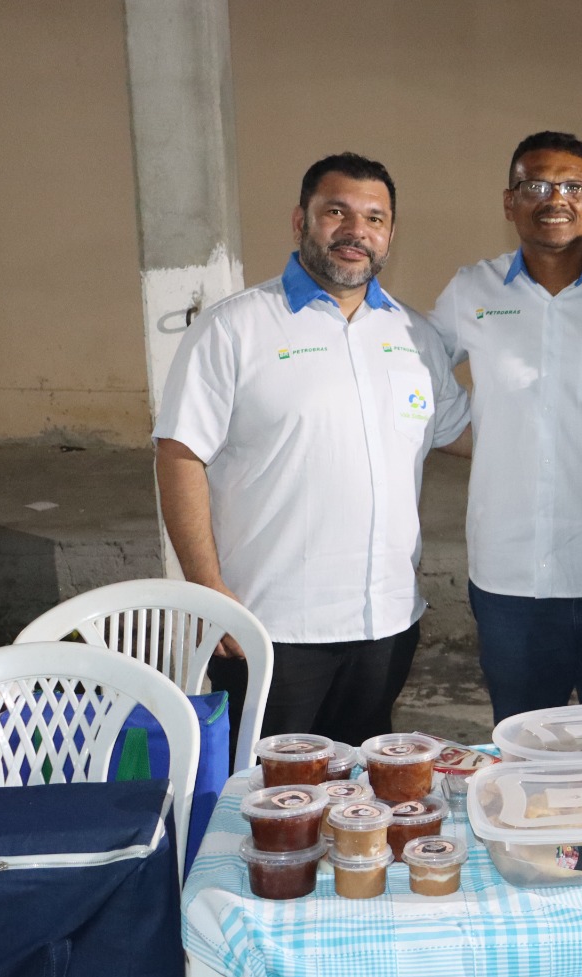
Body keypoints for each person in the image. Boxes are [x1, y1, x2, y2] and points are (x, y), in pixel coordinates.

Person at [155, 152, 471, 751]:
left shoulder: (414, 336)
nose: (356, 231)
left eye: (375, 218)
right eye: (336, 212)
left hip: (386, 626)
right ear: (300, 221)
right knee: (267, 792)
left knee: (361, 788)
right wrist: (207, 586)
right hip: (270, 628)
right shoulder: (234, 329)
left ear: (390, 234)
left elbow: (460, 431)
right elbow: (179, 455)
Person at [429, 131, 582, 723]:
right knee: (522, 744)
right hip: (509, 580)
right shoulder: (471, 292)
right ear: (509, 201)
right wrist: (477, 432)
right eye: (536, 185)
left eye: (573, 186)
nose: (555, 199)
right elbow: (414, 376)